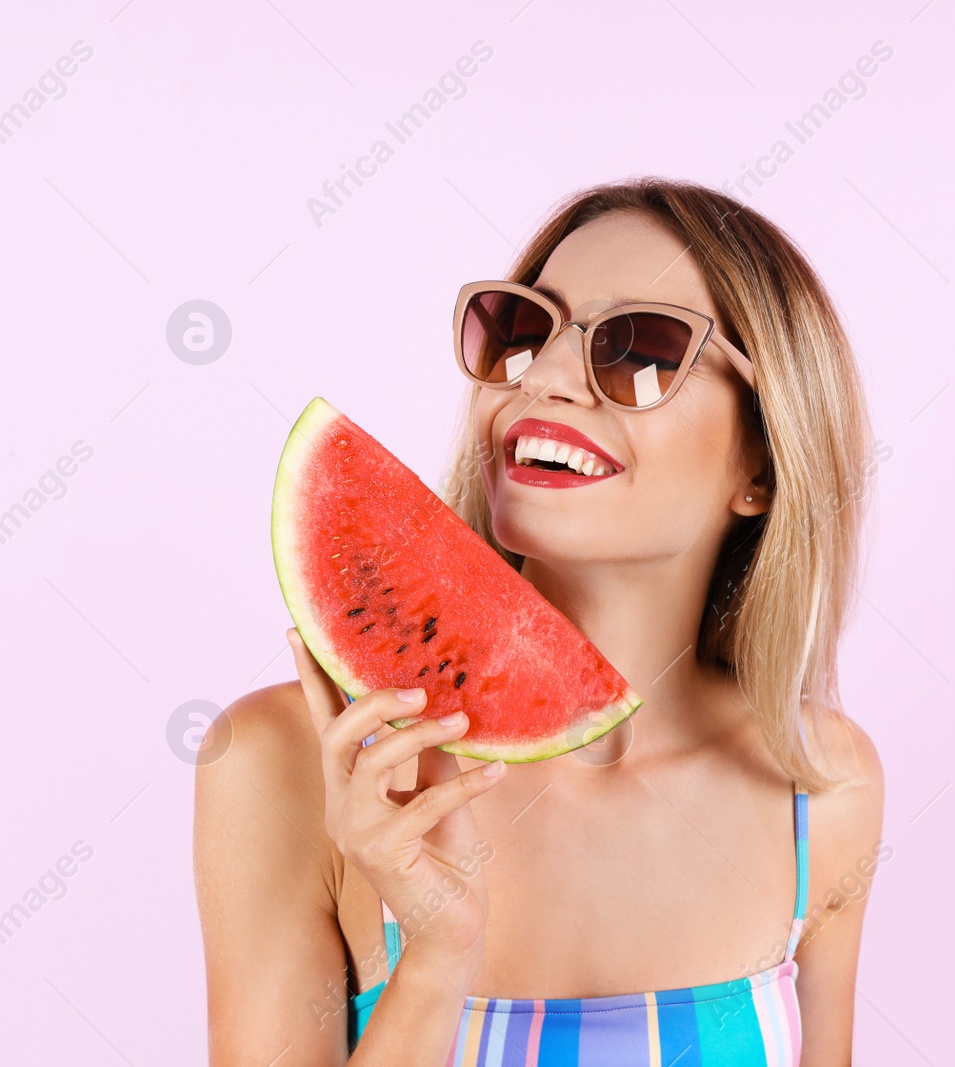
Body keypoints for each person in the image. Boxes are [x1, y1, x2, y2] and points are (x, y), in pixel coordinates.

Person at [195, 178, 885, 1066]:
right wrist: (438, 956)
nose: (546, 378)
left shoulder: (821, 789)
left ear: (762, 457)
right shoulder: (286, 764)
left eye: (642, 350)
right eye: (523, 332)